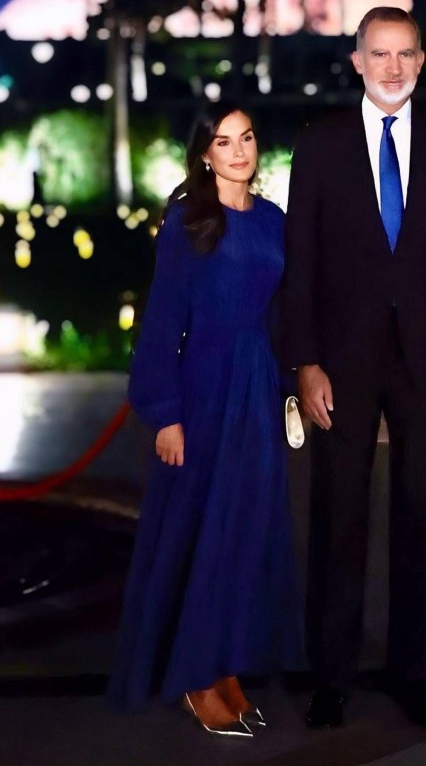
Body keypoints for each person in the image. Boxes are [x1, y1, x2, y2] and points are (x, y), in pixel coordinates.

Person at [283, 6, 426, 729]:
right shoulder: (320, 144)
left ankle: (414, 671)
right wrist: (304, 360)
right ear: (357, 61)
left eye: (405, 54)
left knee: (424, 515)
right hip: (341, 362)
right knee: (337, 514)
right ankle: (332, 675)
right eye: (380, 53)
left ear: (421, 61)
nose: (393, 67)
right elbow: (301, 261)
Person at [108, 105, 298, 736]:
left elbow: (284, 313)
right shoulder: (187, 221)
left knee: (246, 532)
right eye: (224, 141)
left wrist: (291, 384)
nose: (238, 151)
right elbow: (163, 319)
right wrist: (164, 413)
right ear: (205, 154)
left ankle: (228, 667)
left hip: (258, 390)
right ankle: (194, 676)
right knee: (201, 534)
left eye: (247, 138)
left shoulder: (273, 219)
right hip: (205, 391)